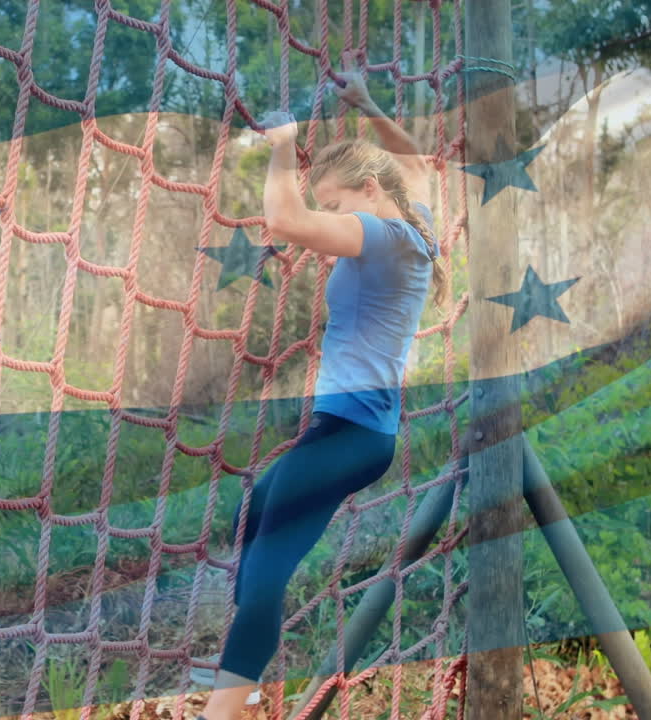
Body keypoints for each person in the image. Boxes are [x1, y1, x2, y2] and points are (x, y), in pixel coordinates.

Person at [192, 60, 444, 720]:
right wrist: (365, 103)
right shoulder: (415, 225)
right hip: (354, 433)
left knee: (270, 561)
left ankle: (223, 710)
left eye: (334, 204)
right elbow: (415, 163)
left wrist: (282, 146)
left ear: (366, 190)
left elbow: (283, 219)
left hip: (354, 435)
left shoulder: (382, 237)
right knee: (262, 509)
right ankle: (240, 692)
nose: (331, 226)